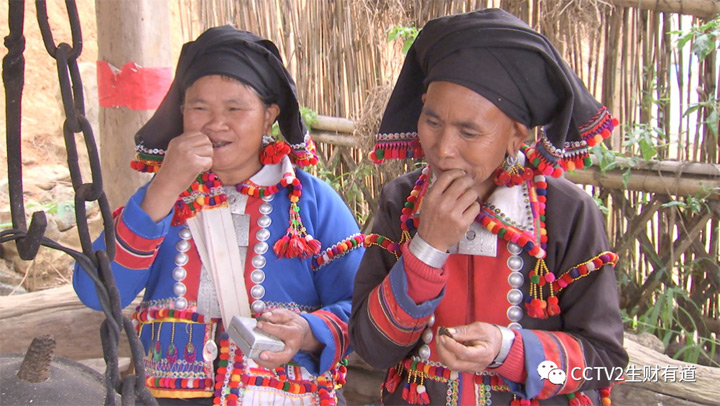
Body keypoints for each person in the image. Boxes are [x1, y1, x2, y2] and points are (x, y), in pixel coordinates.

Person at [350, 9, 628, 406]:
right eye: (432, 122)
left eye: (469, 131)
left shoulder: (567, 214)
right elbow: (372, 348)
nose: (444, 149)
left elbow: (604, 362)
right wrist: (427, 248)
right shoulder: (402, 203)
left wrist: (507, 350)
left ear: (517, 135)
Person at [73, 26, 364, 406]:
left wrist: (308, 331)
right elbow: (95, 292)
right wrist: (163, 187)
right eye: (199, 108)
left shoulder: (311, 203)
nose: (215, 123)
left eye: (234, 108)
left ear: (269, 116)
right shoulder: (159, 200)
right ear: (181, 113)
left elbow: (360, 308)